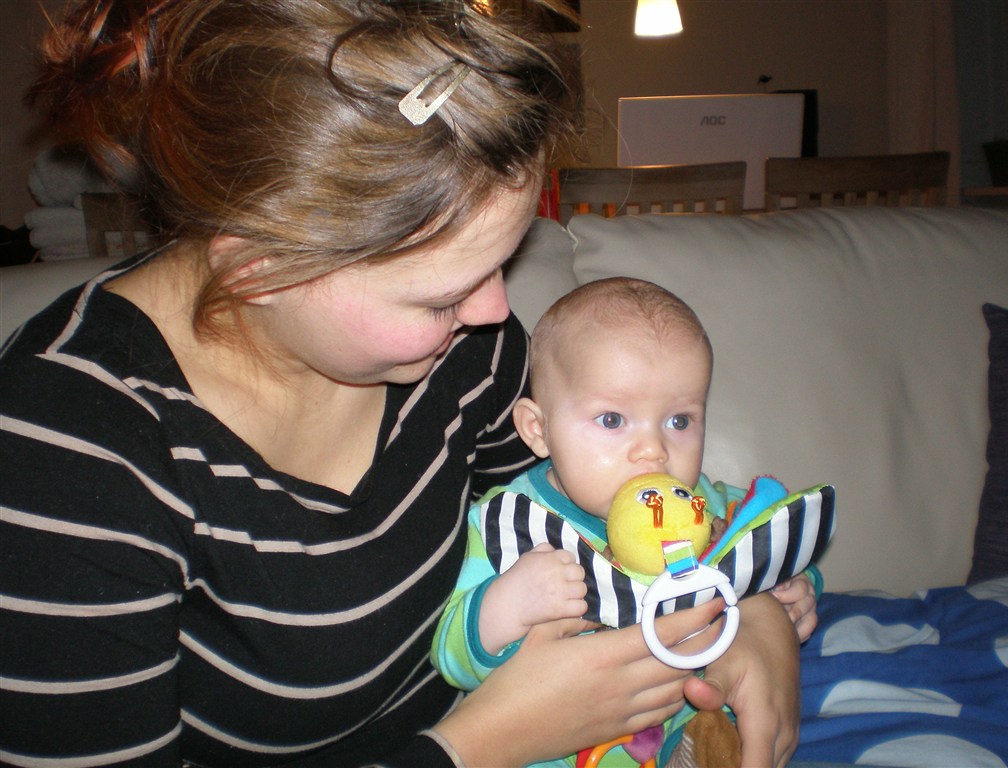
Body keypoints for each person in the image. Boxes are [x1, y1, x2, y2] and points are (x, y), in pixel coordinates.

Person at [0, 2, 801, 766]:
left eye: (502, 263)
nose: (496, 314)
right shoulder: (66, 454)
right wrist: (489, 742)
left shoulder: (461, 354)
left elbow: (581, 512)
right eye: (440, 296)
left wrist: (748, 607)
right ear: (259, 270)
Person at [432, 278, 821, 766]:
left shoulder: (702, 504)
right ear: (538, 430)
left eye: (679, 421)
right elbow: (452, 659)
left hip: (678, 722)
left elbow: (769, 538)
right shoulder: (511, 523)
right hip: (549, 747)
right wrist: (506, 604)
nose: (654, 450)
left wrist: (795, 587)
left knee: (725, 723)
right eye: (613, 420)